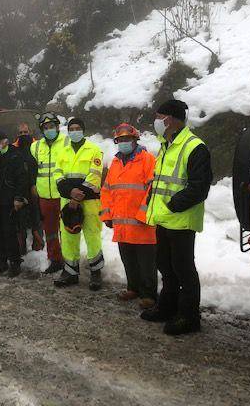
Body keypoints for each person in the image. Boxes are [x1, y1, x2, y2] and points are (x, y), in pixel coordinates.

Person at [137, 99, 212, 335]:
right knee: (166, 267)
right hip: (164, 218)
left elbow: (199, 187)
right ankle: (167, 307)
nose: (156, 122)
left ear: (169, 119)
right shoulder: (166, 144)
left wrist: (173, 204)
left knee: (184, 270)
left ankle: (189, 317)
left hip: (181, 219)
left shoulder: (194, 146)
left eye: (159, 117)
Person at [100, 123, 157, 309]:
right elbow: (107, 190)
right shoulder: (115, 163)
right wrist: (107, 215)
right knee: (128, 259)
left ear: (135, 139)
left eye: (127, 139)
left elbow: (153, 190)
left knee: (146, 262)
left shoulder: (148, 160)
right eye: (120, 140)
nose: (124, 142)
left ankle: (149, 294)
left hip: (142, 224)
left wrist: (143, 214)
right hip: (122, 224)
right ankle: (133, 288)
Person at [53, 118, 104, 290]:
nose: (74, 131)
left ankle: (96, 273)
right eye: (71, 128)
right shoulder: (63, 152)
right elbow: (58, 175)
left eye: (77, 128)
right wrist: (69, 193)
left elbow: (95, 176)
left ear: (83, 130)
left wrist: (76, 196)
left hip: (88, 201)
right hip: (67, 200)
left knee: (92, 235)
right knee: (68, 236)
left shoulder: (94, 150)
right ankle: (70, 272)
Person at [0, 131, 30, 277]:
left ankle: (15, 264)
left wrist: (18, 197)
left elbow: (22, 178)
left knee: (9, 233)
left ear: (5, 141)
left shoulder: (15, 155)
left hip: (10, 201)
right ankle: (1, 263)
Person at [30, 113, 66, 274]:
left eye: (51, 126)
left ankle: (70, 260)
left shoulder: (67, 142)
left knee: (66, 230)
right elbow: (32, 169)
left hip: (63, 195)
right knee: (50, 231)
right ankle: (55, 259)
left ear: (57, 127)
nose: (49, 130)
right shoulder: (35, 147)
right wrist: (33, 186)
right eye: (45, 128)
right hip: (45, 195)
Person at [12, 123, 43, 254]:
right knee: (20, 219)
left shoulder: (38, 146)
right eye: (21, 133)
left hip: (35, 187)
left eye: (26, 132)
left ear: (30, 132)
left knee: (37, 216)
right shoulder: (13, 148)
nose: (24, 135)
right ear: (17, 135)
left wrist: (35, 184)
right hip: (20, 188)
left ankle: (38, 245)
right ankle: (21, 247)